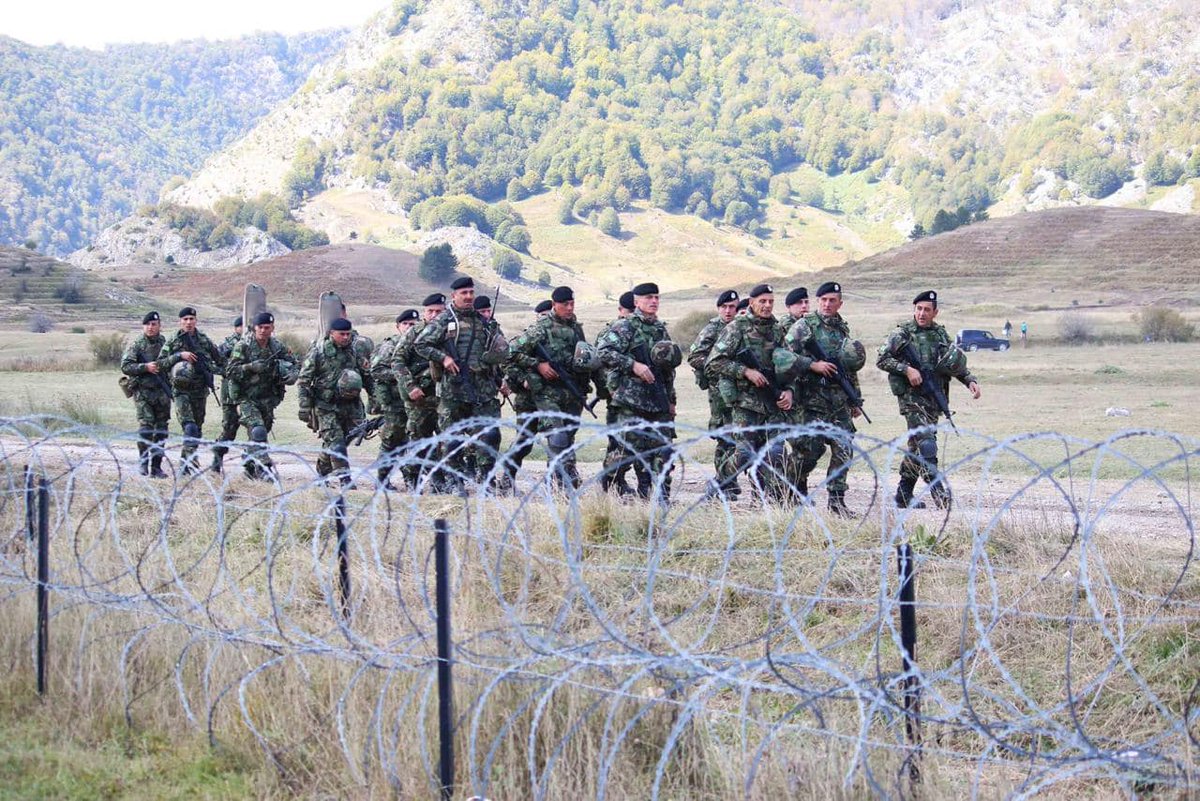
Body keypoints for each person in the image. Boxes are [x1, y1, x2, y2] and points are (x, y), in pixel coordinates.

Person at [877, 290, 980, 509]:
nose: (922, 314)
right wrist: (906, 369)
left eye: (927, 310)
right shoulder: (902, 334)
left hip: (934, 397)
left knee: (916, 447)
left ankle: (903, 495)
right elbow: (882, 359)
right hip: (911, 398)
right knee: (926, 444)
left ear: (935, 312)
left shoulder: (941, 335)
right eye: (919, 309)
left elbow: (952, 363)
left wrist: (969, 380)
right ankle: (939, 492)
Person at [412, 276, 510, 492]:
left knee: (490, 435)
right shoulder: (444, 320)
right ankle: (454, 482)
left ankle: (486, 479)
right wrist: (443, 358)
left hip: (483, 390)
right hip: (452, 390)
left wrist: (501, 376)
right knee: (452, 439)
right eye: (463, 293)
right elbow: (421, 344)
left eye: (471, 292)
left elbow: (502, 351)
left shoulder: (485, 322)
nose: (468, 297)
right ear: (454, 295)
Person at [784, 281, 867, 517]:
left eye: (832, 300)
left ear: (840, 302)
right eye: (824, 300)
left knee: (844, 448)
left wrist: (855, 399)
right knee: (808, 452)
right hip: (810, 400)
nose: (828, 304)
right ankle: (789, 489)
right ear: (818, 301)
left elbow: (848, 369)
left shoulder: (842, 330)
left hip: (838, 401)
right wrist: (812, 365)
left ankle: (837, 501)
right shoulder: (803, 327)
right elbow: (783, 356)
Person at [704, 284, 793, 501]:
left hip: (772, 402)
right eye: (762, 301)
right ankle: (719, 483)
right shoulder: (737, 328)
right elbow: (713, 363)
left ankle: (773, 497)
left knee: (775, 452)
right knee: (743, 454)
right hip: (746, 403)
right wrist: (745, 371)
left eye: (771, 301)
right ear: (751, 302)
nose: (767, 305)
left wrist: (789, 391)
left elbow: (789, 365)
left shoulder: (777, 329)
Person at [596, 282, 679, 502]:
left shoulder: (661, 329)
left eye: (656, 297)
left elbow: (667, 370)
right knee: (625, 451)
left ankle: (655, 497)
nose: (653, 301)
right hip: (631, 402)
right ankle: (609, 486)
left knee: (662, 452)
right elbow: (603, 352)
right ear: (636, 301)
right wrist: (633, 365)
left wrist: (671, 400)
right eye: (648, 297)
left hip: (658, 400)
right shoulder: (625, 327)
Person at [508, 285, 595, 489]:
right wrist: (538, 365)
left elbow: (584, 356)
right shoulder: (541, 328)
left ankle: (554, 479)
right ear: (555, 304)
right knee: (557, 436)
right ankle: (563, 483)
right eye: (565, 304)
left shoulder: (576, 328)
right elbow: (511, 352)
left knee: (568, 436)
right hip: (547, 391)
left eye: (572, 303)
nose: (570, 308)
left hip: (571, 390)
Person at [225, 312, 299, 480]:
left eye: (267, 328)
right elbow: (230, 371)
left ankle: (250, 468)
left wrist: (293, 375)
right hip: (245, 398)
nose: (264, 331)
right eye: (261, 327)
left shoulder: (277, 346)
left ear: (272, 328)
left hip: (267, 399)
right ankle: (265, 469)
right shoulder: (243, 346)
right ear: (254, 328)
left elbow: (294, 364)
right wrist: (249, 367)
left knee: (259, 435)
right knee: (258, 431)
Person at [298, 317, 370, 486]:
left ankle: (322, 473)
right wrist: (304, 406)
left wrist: (374, 398)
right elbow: (303, 380)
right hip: (326, 406)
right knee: (336, 442)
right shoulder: (318, 353)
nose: (346, 337)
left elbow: (367, 377)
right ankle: (345, 480)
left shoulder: (354, 352)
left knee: (342, 440)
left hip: (350, 406)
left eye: (348, 334)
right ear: (331, 334)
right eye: (342, 334)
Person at [120, 311, 190, 478]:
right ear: (143, 326)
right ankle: (143, 463)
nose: (151, 327)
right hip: (143, 392)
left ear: (159, 326)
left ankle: (156, 467)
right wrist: (145, 367)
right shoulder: (137, 344)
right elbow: (126, 366)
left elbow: (172, 362)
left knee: (161, 430)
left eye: (154, 324)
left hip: (162, 392)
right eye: (148, 324)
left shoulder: (165, 343)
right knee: (146, 428)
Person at [162, 306, 225, 475]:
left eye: (191, 319)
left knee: (197, 429)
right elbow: (160, 363)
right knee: (189, 427)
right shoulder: (173, 341)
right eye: (185, 319)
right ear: (180, 321)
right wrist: (179, 356)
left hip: (200, 391)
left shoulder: (203, 340)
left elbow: (219, 359)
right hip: (181, 391)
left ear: (196, 321)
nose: (188, 322)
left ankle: (187, 461)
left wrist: (210, 369)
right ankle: (185, 466)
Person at [392, 294, 445, 489]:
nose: (434, 315)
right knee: (418, 441)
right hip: (419, 397)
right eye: (430, 311)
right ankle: (411, 476)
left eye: (439, 311)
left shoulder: (450, 331)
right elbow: (397, 361)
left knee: (445, 441)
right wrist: (410, 386)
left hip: (444, 396)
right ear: (424, 312)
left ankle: (440, 481)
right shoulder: (414, 333)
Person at [686, 289, 739, 487]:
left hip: (742, 390)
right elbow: (694, 356)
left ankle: (729, 478)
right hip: (719, 391)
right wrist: (718, 367)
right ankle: (723, 480)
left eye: (732, 307)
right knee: (725, 435)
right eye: (724, 307)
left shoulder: (741, 327)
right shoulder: (713, 328)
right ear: (718, 308)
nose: (728, 311)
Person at [369, 310, 419, 489]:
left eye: (413, 324)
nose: (409, 327)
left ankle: (412, 480)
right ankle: (382, 480)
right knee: (392, 441)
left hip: (416, 403)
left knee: (414, 441)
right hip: (395, 402)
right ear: (398, 326)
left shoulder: (421, 344)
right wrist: (403, 375)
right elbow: (376, 371)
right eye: (406, 324)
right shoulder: (391, 346)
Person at [596, 291, 636, 495]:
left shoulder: (641, 330)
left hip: (638, 395)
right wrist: (609, 389)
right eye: (628, 311)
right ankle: (610, 481)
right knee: (619, 443)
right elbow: (599, 364)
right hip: (617, 396)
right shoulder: (610, 333)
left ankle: (619, 480)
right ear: (620, 310)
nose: (630, 315)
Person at [211, 316, 244, 473]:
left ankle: (252, 465)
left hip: (250, 393)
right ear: (236, 328)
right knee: (230, 427)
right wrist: (229, 371)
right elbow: (214, 364)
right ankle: (218, 456)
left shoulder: (256, 343)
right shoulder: (228, 344)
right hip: (230, 393)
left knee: (257, 428)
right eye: (242, 326)